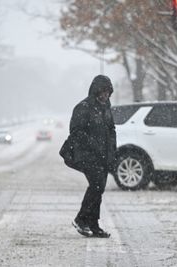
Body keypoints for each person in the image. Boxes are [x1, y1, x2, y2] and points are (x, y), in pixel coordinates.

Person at [70, 75, 117, 238]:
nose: (106, 95)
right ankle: (80, 219)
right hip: (87, 155)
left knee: (99, 188)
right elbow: (76, 132)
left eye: (108, 92)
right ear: (96, 90)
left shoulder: (106, 107)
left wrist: (112, 152)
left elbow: (112, 130)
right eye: (103, 91)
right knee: (96, 185)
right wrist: (94, 144)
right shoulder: (83, 107)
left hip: (103, 155)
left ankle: (93, 223)